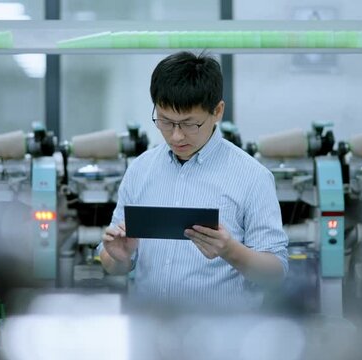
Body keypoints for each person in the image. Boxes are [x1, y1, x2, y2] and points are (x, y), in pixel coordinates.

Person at [100, 51, 288, 310]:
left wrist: (230, 250)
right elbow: (113, 264)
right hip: (151, 334)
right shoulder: (140, 169)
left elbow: (276, 274)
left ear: (217, 111)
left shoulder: (252, 177)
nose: (176, 136)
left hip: (220, 340)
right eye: (165, 122)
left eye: (190, 124)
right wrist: (118, 258)